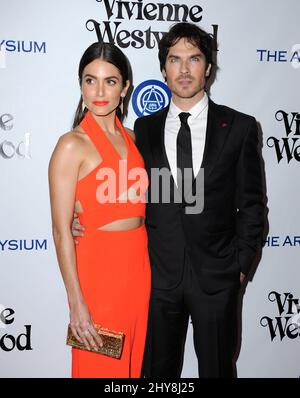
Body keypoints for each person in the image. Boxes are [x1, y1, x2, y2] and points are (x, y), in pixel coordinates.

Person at [73, 22, 264, 378]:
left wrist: (238, 266)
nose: (184, 69)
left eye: (194, 59)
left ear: (208, 67)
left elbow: (252, 206)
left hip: (217, 278)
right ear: (163, 69)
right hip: (157, 280)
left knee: (218, 371)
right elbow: (114, 183)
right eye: (175, 59)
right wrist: (76, 214)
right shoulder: (143, 130)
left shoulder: (239, 127)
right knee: (157, 376)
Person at [49, 42, 151, 378]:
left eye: (110, 81)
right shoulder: (71, 144)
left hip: (139, 269)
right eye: (90, 80)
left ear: (125, 88)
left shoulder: (136, 140)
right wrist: (76, 302)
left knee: (132, 369)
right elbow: (62, 230)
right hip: (98, 272)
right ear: (80, 85)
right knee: (99, 367)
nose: (99, 91)